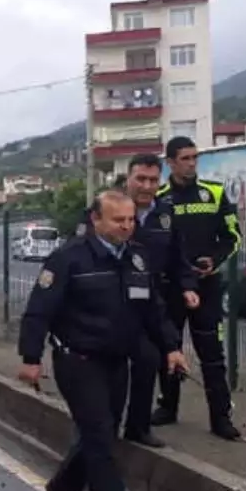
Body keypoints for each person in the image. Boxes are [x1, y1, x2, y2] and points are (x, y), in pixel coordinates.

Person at [18, 190, 188, 491]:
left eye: (130, 220)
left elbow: (154, 311)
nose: (127, 226)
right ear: (97, 220)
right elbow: (38, 311)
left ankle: (63, 486)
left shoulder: (137, 258)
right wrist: (30, 358)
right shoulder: (69, 259)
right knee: (101, 444)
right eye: (118, 220)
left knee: (101, 436)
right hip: (77, 361)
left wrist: (171, 347)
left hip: (116, 362)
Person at [78, 154, 200, 448]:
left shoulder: (167, 215)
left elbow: (179, 258)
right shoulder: (103, 211)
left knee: (149, 359)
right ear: (128, 179)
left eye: (153, 180)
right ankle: (101, 421)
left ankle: (138, 426)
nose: (147, 186)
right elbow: (80, 253)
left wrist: (188, 286)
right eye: (140, 179)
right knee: (109, 365)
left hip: (152, 301)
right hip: (112, 303)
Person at [153, 137, 243, 441]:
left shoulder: (214, 193)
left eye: (195, 157)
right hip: (170, 289)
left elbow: (232, 236)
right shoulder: (159, 197)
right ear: (170, 163)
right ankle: (167, 407)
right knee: (168, 350)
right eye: (185, 158)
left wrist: (213, 260)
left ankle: (221, 419)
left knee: (212, 355)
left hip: (207, 288)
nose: (191, 163)